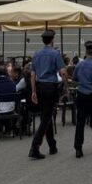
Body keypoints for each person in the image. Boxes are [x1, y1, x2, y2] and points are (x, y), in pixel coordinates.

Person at [28, 30, 65, 160]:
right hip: (50, 87)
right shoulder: (55, 54)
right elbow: (63, 72)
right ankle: (35, 146)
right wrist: (65, 85)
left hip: (39, 86)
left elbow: (32, 74)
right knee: (46, 118)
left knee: (46, 115)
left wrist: (33, 91)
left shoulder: (36, 54)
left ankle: (52, 145)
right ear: (52, 40)